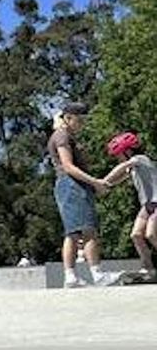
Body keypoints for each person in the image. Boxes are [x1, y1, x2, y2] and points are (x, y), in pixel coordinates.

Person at [47, 102, 121, 287]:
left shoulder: (64, 135)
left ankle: (71, 277)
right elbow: (68, 166)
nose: (82, 124)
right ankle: (97, 275)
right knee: (88, 231)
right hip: (72, 185)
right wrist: (95, 182)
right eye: (80, 120)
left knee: (73, 232)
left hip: (69, 186)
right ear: (68, 118)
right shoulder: (62, 136)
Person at [103, 131, 157, 281]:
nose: (118, 159)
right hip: (147, 205)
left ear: (127, 151)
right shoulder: (132, 167)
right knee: (136, 235)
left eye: (119, 154)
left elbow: (123, 167)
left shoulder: (140, 159)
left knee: (151, 234)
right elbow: (119, 177)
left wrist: (103, 180)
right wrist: (105, 185)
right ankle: (149, 269)